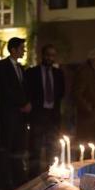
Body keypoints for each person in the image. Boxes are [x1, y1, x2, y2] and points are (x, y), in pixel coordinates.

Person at [0, 37, 31, 190]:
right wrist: (21, 104)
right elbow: (5, 88)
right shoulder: (1, 66)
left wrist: (26, 104)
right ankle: (5, 180)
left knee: (18, 146)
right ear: (13, 49)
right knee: (6, 147)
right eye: (22, 48)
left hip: (19, 116)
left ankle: (18, 179)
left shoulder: (21, 68)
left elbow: (23, 88)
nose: (24, 51)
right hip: (8, 113)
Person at [25, 44, 65, 178]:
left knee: (52, 147)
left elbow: (61, 93)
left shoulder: (58, 73)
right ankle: (33, 177)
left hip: (53, 115)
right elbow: (28, 93)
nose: (50, 58)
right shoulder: (32, 73)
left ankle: (50, 174)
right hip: (38, 114)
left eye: (53, 55)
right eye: (48, 55)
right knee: (35, 147)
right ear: (43, 55)